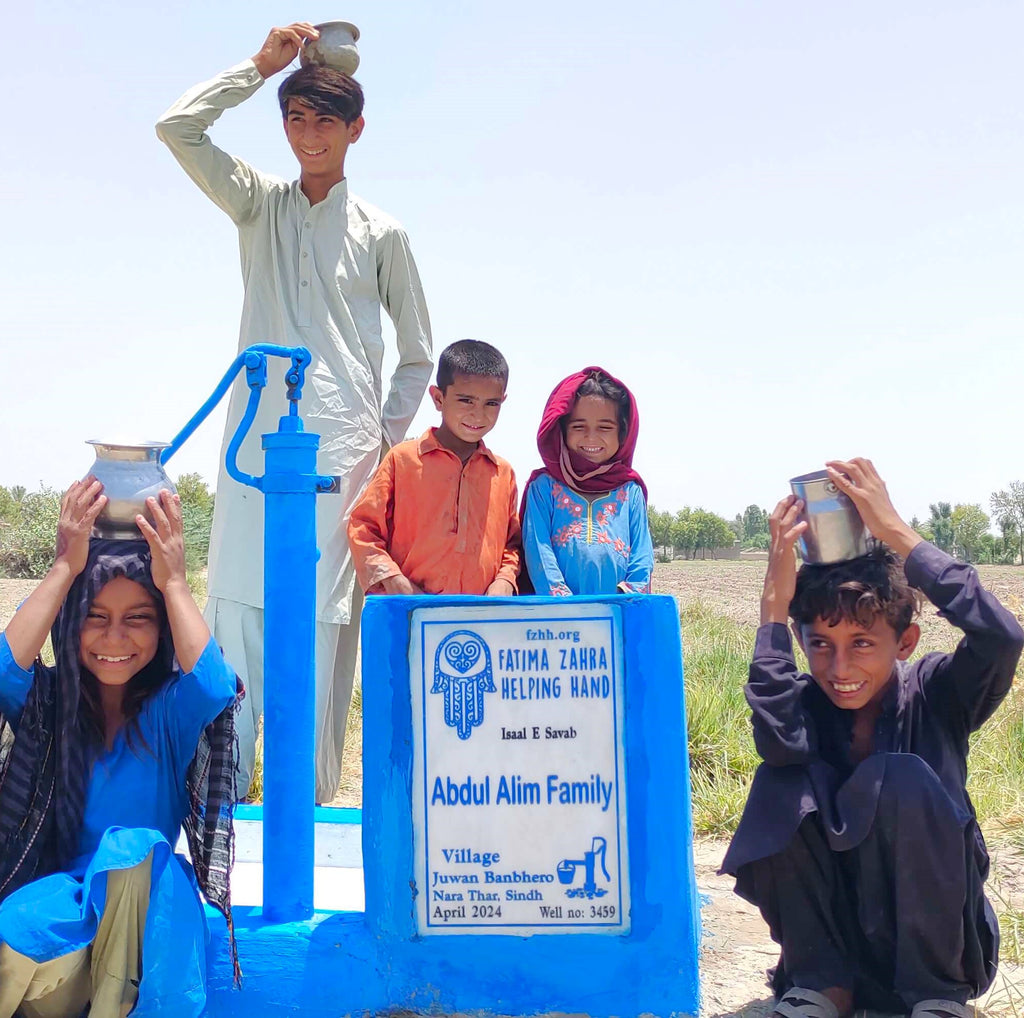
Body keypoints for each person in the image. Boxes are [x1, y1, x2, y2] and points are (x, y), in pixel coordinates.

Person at [156, 23, 433, 802]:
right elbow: (177, 128)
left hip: (340, 455)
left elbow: (417, 353)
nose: (310, 136)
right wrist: (258, 68)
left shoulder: (384, 233)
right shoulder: (259, 206)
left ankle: (304, 817)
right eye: (296, 119)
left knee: (319, 626)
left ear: (356, 130)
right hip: (251, 447)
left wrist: (379, 436)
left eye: (325, 121)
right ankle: (222, 806)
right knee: (237, 609)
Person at [720, 458, 1024, 1018]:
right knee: (780, 777)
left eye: (862, 643)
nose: (839, 668)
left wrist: (894, 532)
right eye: (820, 644)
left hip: (938, 958)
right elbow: (778, 742)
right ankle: (823, 988)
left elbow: (1001, 637)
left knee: (901, 777)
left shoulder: (938, 693)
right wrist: (772, 605)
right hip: (839, 951)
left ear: (905, 641)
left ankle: (936, 998)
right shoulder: (810, 704)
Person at [0, 480, 239, 1018]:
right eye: (95, 617)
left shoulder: (167, 713)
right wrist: (64, 568)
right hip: (68, 906)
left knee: (132, 850)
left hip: (147, 917)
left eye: (138, 618)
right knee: (15, 928)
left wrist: (175, 582)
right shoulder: (51, 708)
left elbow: (213, 685)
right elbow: (3, 671)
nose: (114, 639)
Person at [347, 339, 520, 596]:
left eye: (491, 403)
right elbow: (364, 527)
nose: (478, 415)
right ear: (439, 398)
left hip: (480, 620)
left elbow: (512, 545)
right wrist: (393, 579)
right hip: (405, 612)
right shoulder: (403, 460)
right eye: (466, 400)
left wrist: (504, 581)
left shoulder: (502, 473)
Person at [520, 367, 653, 596]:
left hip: (616, 613)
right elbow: (538, 550)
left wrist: (625, 598)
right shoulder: (544, 487)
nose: (591, 437)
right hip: (558, 617)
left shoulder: (630, 491)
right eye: (579, 426)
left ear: (622, 433)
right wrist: (565, 603)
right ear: (562, 431)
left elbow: (642, 555)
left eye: (604, 427)